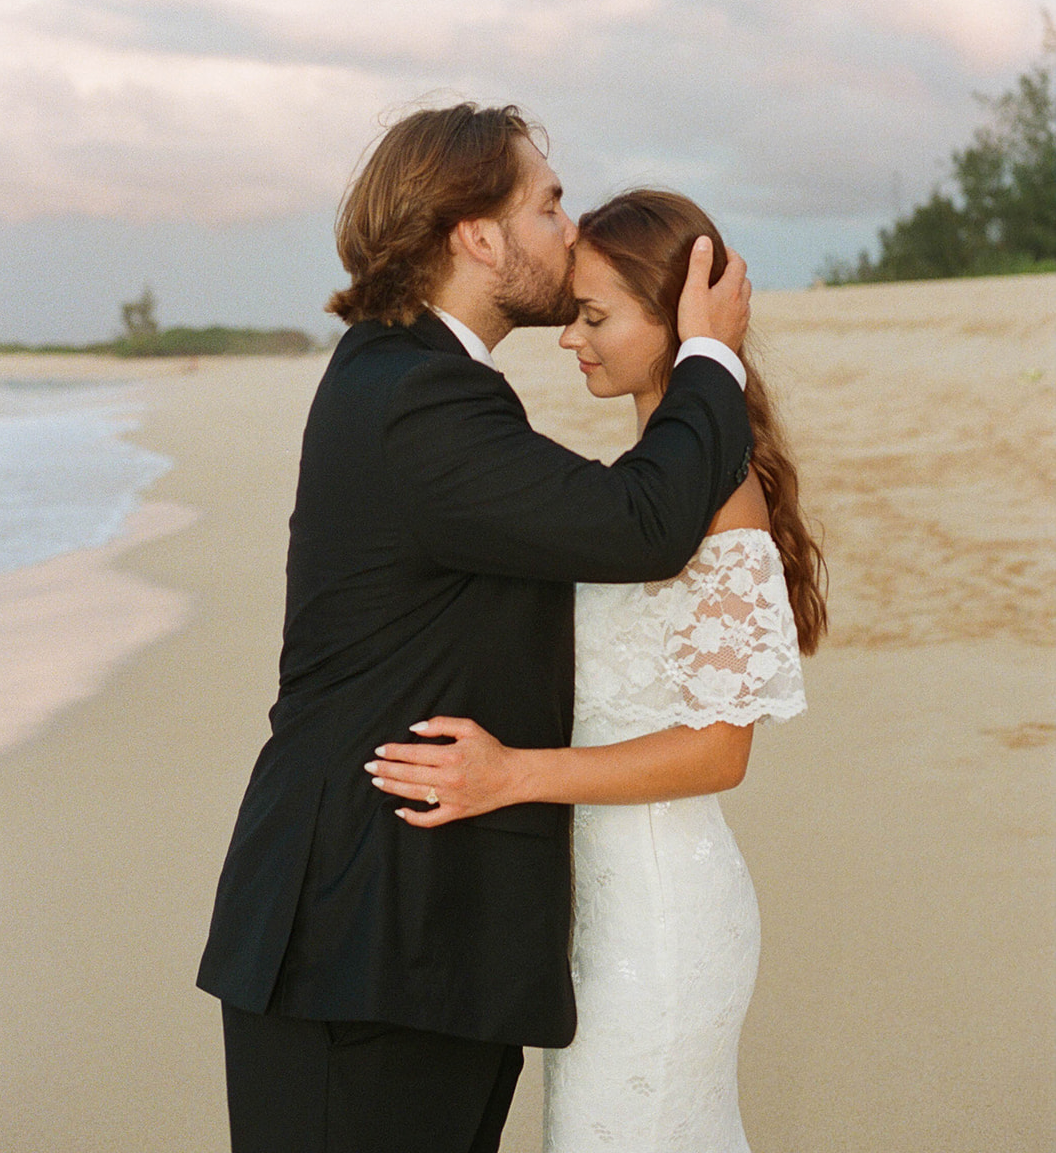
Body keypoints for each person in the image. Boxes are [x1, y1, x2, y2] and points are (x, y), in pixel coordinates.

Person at [197, 111, 755, 1153]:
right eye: (543, 202)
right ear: (476, 236)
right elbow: (637, 521)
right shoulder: (415, 395)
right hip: (360, 946)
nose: (564, 220)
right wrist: (710, 357)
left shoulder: (411, 380)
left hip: (424, 943)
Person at [367, 189, 827, 1153]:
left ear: (677, 324)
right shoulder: (640, 489)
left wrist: (512, 775)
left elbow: (718, 752)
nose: (570, 339)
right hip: (599, 911)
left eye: (595, 316)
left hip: (660, 913)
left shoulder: (720, 499)